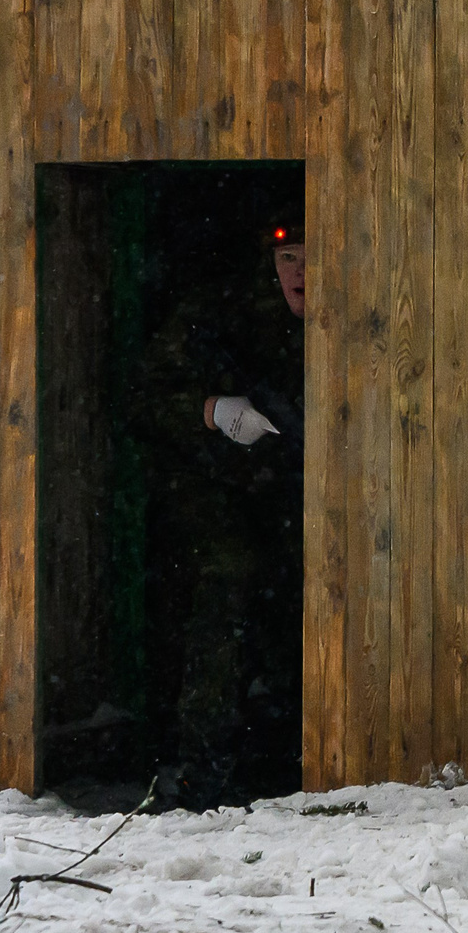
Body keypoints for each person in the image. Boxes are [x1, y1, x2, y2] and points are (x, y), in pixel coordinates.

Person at [129, 201, 307, 809]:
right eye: (288, 257)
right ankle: (203, 766)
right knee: (229, 580)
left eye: (313, 256)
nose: (301, 272)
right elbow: (144, 393)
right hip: (213, 485)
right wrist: (213, 412)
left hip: (295, 488)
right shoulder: (221, 314)